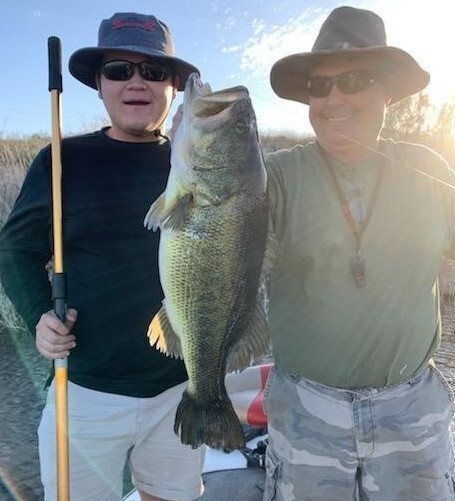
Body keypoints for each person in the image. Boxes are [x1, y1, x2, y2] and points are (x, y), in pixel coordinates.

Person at [0, 12, 205, 501]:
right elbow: (16, 249)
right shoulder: (62, 160)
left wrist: (201, 137)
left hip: (180, 386)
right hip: (85, 388)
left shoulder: (195, 162)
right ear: (99, 83)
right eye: (118, 69)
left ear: (174, 87)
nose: (137, 82)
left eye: (154, 71)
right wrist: (38, 319)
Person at [263, 6, 455, 501]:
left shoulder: (429, 168)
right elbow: (211, 234)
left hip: (412, 408)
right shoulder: (277, 177)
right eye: (319, 86)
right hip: (305, 407)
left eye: (354, 80)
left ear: (387, 91)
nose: (333, 99)